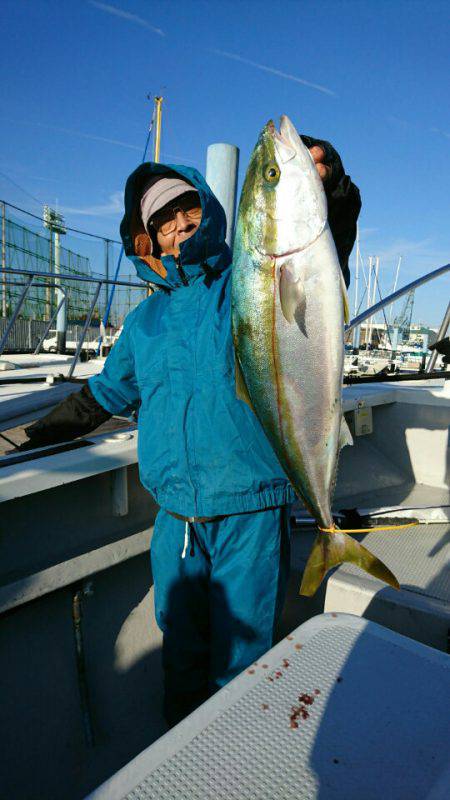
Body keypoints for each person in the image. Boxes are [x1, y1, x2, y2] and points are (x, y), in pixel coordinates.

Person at [19, 133, 361, 726]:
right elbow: (105, 393)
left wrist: (331, 188)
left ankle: (237, 749)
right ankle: (180, 743)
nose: (180, 224)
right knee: (179, 646)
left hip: (251, 510)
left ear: (211, 211)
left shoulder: (246, 284)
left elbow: (316, 265)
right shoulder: (145, 320)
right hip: (175, 516)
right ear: (145, 239)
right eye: (164, 218)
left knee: (244, 654)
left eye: (188, 208)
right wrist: (37, 435)